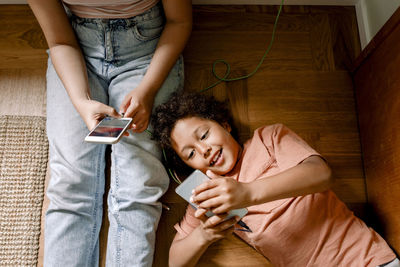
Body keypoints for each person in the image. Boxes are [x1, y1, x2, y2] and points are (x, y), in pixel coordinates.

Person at [27, 0, 191, 266]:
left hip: (148, 50)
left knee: (138, 184)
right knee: (70, 183)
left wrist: (147, 91)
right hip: (75, 47)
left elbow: (179, 21)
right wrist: (81, 101)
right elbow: (60, 41)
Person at [151, 91, 399, 267]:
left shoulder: (267, 139)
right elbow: (176, 261)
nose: (203, 150)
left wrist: (247, 193)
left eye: (204, 135)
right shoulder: (206, 194)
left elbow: (321, 173)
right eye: (191, 153)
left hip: (365, 259)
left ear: (224, 125)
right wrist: (204, 234)